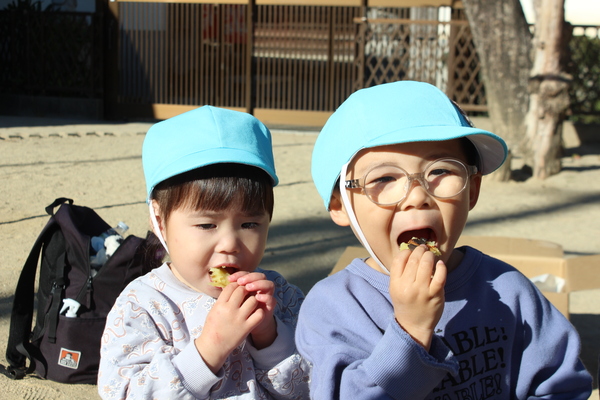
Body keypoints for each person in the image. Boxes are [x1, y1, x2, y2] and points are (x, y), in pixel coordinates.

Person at [295, 81, 592, 399]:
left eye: (441, 171)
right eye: (384, 178)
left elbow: (562, 385)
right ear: (340, 205)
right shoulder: (332, 308)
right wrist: (411, 330)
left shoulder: (510, 290)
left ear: (472, 189)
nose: (417, 197)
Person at [98, 106, 310, 399]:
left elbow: (313, 387)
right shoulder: (142, 305)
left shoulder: (281, 296)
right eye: (207, 225)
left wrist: (269, 337)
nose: (229, 243)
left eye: (249, 224)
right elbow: (124, 393)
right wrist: (209, 349)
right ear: (159, 221)